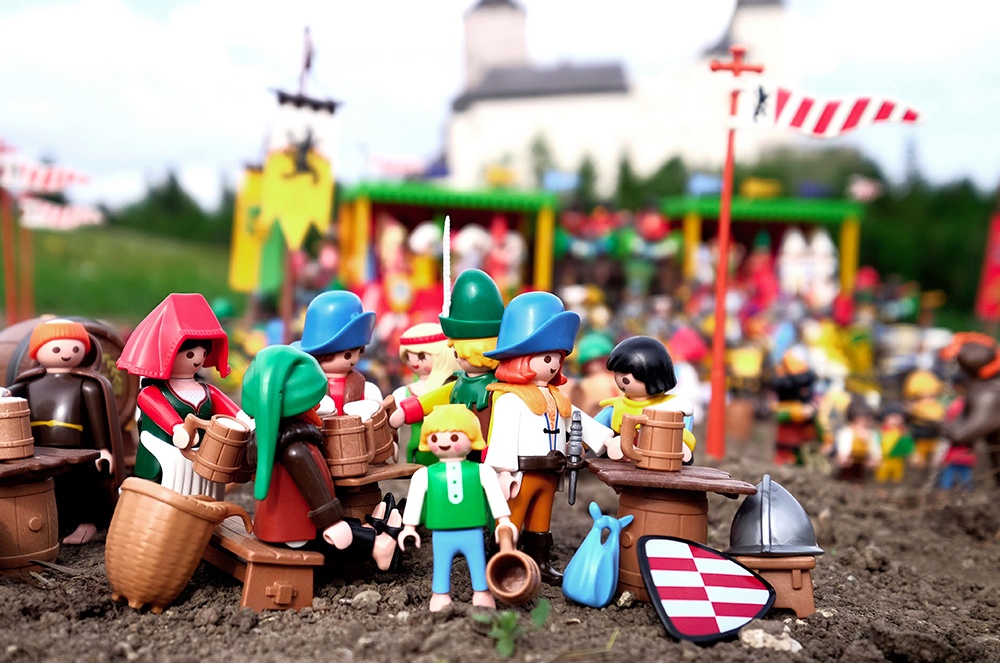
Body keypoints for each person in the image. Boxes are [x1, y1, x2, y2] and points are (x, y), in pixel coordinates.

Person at [483, 291, 617, 585]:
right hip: (521, 473)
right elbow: (503, 436)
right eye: (547, 358)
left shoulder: (558, 397)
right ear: (521, 359)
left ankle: (540, 562)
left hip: (550, 472)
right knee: (512, 518)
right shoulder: (510, 398)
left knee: (541, 520)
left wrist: (605, 440)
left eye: (558, 357)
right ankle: (502, 561)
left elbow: (578, 420)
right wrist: (502, 471)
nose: (554, 364)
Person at [242, 345, 400, 569]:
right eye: (313, 400)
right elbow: (317, 495)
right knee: (336, 536)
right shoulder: (294, 450)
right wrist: (332, 521)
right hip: (295, 532)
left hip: (285, 524)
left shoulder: (270, 439)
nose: (318, 405)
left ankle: (368, 532)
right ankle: (377, 547)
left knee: (347, 526)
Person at [117, 294, 250, 499]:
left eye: (203, 354)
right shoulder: (152, 392)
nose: (197, 360)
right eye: (190, 354)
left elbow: (229, 408)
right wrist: (177, 428)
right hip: (162, 454)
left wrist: (244, 420)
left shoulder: (206, 390)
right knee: (159, 490)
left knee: (204, 489)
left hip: (203, 457)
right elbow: (162, 412)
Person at [8, 319, 124, 544]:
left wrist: (103, 449)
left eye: (75, 348)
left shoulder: (86, 385)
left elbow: (98, 420)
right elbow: (10, 395)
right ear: (38, 351)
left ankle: (86, 524)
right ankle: (57, 522)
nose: (66, 354)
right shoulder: (29, 384)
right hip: (39, 448)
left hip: (79, 449)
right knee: (52, 487)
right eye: (57, 349)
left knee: (82, 485)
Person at [398, 405, 516, 611]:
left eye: (454, 437)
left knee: (478, 562)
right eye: (435, 438)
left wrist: (503, 521)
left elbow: (495, 496)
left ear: (472, 437)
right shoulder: (425, 474)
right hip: (441, 532)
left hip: (473, 530)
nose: (444, 443)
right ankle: (440, 594)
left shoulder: (482, 471)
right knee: (441, 564)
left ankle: (482, 592)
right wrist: (409, 527)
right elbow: (415, 499)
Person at [390, 269, 505, 464]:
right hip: (456, 453)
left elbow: (501, 421)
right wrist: (408, 410)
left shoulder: (498, 389)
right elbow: (437, 397)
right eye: (456, 353)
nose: (460, 359)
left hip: (487, 456)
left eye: (465, 354)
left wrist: (493, 451)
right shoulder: (459, 383)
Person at [595, 336, 696, 463]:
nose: (619, 378)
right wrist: (584, 445)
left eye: (625, 375)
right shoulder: (615, 408)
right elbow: (595, 429)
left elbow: (685, 427)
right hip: (623, 463)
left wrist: (681, 443)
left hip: (660, 460)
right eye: (617, 372)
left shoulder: (675, 405)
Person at [390, 323, 459, 463]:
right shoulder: (403, 392)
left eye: (421, 356)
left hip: (453, 449)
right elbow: (392, 426)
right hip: (417, 452)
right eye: (408, 357)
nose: (413, 362)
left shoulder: (453, 387)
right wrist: (393, 444)